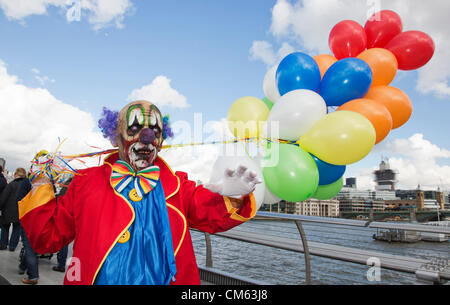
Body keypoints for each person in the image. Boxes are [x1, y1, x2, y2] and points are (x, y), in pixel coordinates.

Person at [18, 100, 260, 285]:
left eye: (154, 132)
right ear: (116, 135)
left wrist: (233, 198)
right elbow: (44, 238)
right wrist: (40, 184)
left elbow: (211, 212)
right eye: (135, 128)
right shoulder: (85, 183)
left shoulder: (178, 186)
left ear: (162, 141)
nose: (147, 137)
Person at [16, 170, 39, 285]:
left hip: (28, 217)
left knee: (29, 246)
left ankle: (33, 275)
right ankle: (22, 266)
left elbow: (19, 198)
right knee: (31, 245)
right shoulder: (48, 184)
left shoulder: (28, 181)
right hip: (40, 221)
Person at [0, 168, 26, 251]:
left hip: (8, 210)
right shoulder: (27, 186)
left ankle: (3, 244)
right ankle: (12, 246)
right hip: (20, 210)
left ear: (16, 174)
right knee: (17, 228)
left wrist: (0, 206)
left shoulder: (11, 184)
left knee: (5, 227)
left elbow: (4, 197)